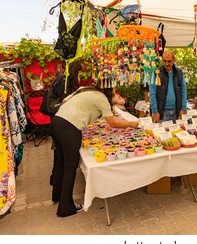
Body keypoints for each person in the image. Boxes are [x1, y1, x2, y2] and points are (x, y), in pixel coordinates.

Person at [49, 79, 139, 217]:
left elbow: (66, 101)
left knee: (61, 161)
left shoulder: (85, 89)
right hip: (69, 128)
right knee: (70, 167)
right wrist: (131, 124)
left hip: (57, 121)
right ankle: (65, 207)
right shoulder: (101, 97)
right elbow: (113, 123)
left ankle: (57, 195)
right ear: (108, 88)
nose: (115, 91)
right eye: (113, 88)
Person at [47, 61, 82, 186]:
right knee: (60, 157)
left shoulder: (64, 79)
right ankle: (57, 183)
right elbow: (64, 101)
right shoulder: (64, 80)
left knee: (59, 156)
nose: (80, 76)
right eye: (79, 73)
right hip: (61, 120)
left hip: (60, 120)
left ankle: (56, 184)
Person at [149, 50, 187, 123]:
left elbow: (183, 91)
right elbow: (152, 93)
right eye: (164, 61)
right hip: (161, 113)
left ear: (174, 60)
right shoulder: (156, 73)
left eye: (169, 61)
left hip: (176, 111)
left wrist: (183, 108)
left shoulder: (179, 73)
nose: (166, 64)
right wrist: (154, 111)